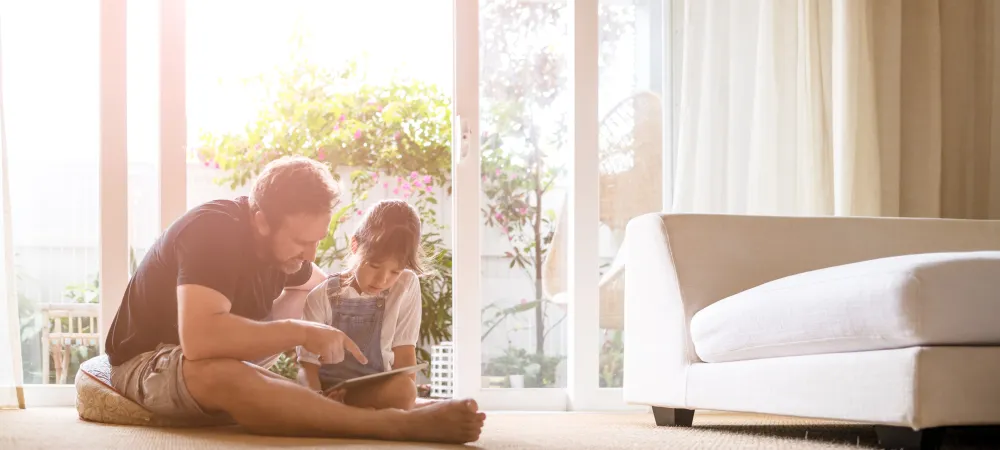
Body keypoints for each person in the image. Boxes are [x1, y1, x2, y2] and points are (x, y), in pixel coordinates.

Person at [104, 156, 485, 443]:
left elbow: (321, 288)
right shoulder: (214, 230)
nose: (310, 253)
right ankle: (392, 425)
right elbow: (200, 340)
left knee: (301, 303)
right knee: (227, 373)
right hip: (150, 359)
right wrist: (300, 332)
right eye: (302, 242)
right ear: (261, 220)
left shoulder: (282, 255)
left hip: (209, 355)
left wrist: (338, 329)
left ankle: (329, 400)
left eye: (317, 241)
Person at [297, 199, 427, 410]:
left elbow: (405, 353)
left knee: (405, 390)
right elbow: (307, 365)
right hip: (327, 392)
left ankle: (352, 415)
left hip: (374, 392)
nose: (383, 280)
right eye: (374, 266)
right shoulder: (320, 296)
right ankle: (347, 414)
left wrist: (407, 402)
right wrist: (317, 398)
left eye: (395, 271)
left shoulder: (406, 284)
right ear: (355, 245)